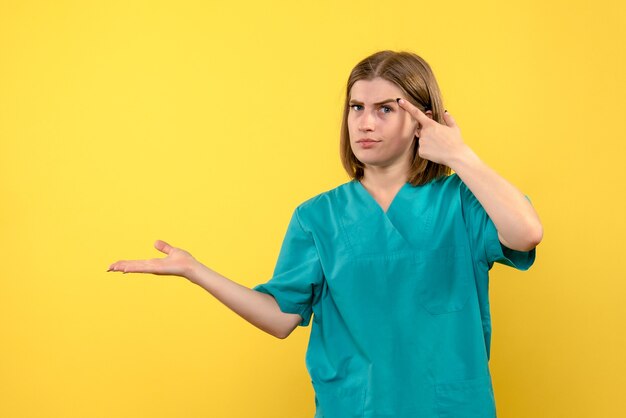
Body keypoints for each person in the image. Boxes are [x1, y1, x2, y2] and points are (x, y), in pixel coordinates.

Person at [108, 50, 543, 418]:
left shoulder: (462, 202)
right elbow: (281, 318)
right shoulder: (319, 216)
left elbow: (526, 234)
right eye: (356, 108)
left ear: (420, 120)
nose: (365, 123)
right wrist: (195, 271)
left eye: (385, 109)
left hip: (447, 407)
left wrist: (461, 155)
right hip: (356, 407)